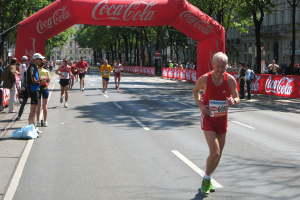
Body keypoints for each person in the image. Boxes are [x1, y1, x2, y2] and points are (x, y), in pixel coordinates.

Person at [193, 52, 240, 195]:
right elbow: (195, 93)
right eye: (218, 66)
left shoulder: (230, 79)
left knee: (218, 155)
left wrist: (234, 101)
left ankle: (209, 177)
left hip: (222, 119)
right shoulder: (205, 79)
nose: (220, 70)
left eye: (223, 66)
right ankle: (206, 180)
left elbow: (237, 96)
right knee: (215, 151)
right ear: (213, 65)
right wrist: (201, 106)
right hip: (208, 118)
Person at [27, 53, 43, 132]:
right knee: (33, 110)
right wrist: (40, 80)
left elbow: (35, 79)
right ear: (36, 59)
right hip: (33, 90)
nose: (41, 60)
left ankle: (32, 127)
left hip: (36, 89)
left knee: (34, 109)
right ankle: (31, 128)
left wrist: (39, 80)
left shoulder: (34, 67)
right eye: (40, 59)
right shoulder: (32, 67)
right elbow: (33, 80)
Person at [36, 61, 51, 127]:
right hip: (45, 88)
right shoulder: (46, 71)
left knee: (38, 106)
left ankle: (38, 122)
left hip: (37, 88)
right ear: (43, 65)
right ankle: (45, 122)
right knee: (44, 106)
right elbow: (49, 80)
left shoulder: (36, 71)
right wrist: (44, 80)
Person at [16, 56, 30, 120]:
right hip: (26, 83)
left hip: (22, 82)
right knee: (28, 101)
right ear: (26, 60)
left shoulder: (20, 65)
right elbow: (25, 73)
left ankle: (19, 115)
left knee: (24, 101)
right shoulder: (24, 66)